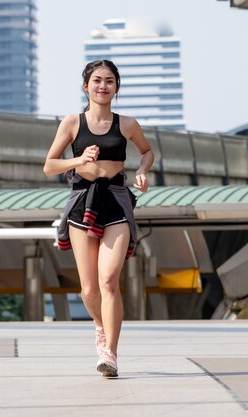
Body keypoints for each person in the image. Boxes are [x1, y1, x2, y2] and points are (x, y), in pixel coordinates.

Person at [43, 59, 154, 377]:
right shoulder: (72, 123)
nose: (103, 86)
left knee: (108, 280)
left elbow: (147, 151)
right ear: (85, 86)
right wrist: (78, 158)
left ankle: (110, 354)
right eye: (97, 80)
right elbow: (50, 165)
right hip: (82, 201)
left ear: (116, 87)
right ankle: (100, 325)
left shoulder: (128, 124)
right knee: (89, 290)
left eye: (109, 81)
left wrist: (142, 171)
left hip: (116, 202)